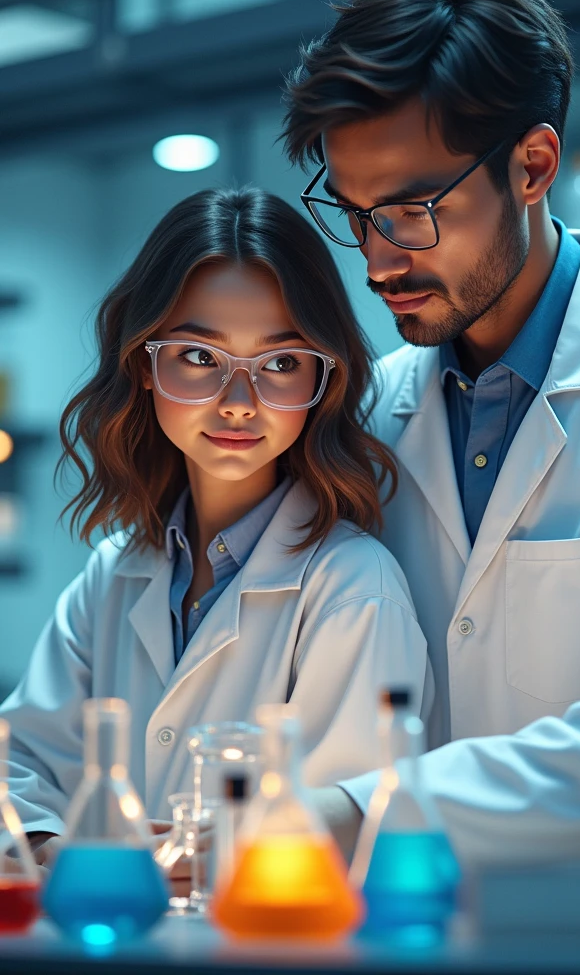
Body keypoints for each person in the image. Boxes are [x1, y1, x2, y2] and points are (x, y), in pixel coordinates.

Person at [281, 0, 580, 863]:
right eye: (353, 213)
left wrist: (358, 814)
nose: (378, 261)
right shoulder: (366, 418)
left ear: (533, 164)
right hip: (397, 928)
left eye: (412, 209)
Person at [0, 188, 432, 879]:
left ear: (325, 380)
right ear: (144, 364)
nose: (239, 401)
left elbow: (342, 837)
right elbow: (18, 772)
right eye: (200, 357)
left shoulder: (352, 589)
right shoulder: (116, 572)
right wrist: (52, 852)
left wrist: (162, 856)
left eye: (282, 364)